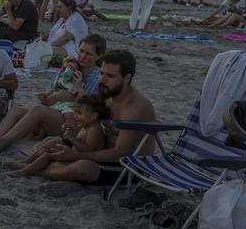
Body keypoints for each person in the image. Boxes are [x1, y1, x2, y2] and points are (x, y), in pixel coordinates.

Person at [29, 50, 156, 185]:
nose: (102, 79)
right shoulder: (108, 93)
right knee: (52, 142)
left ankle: (38, 171)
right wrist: (71, 129)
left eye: (110, 76)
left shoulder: (135, 107)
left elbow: (120, 153)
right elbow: (90, 118)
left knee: (82, 167)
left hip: (129, 166)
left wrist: (75, 155)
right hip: (102, 152)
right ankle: (30, 165)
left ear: (127, 78)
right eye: (101, 73)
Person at [0, 35, 106, 152]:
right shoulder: (69, 68)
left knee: (37, 110)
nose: (82, 56)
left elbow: (92, 111)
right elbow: (48, 100)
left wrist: (78, 88)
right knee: (17, 110)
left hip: (76, 124)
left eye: (88, 54)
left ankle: (1, 143)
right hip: (56, 113)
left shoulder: (98, 77)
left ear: (99, 56)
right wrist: (49, 97)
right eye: (81, 51)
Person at [10, 94, 109, 177]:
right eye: (75, 112)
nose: (75, 116)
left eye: (79, 113)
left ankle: (25, 171)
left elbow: (88, 150)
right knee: (50, 148)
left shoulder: (94, 129)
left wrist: (72, 138)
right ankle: (27, 162)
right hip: (75, 154)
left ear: (93, 116)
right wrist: (68, 131)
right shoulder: (86, 125)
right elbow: (78, 140)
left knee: (49, 155)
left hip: (84, 160)